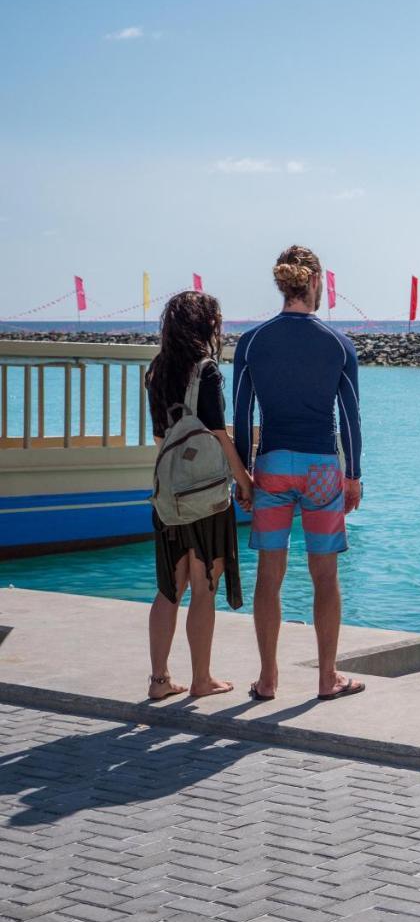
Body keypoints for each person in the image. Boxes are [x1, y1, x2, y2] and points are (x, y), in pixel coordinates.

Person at [233, 245, 365, 702]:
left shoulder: (251, 342)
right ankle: (327, 678)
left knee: (269, 574)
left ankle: (268, 680)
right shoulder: (337, 343)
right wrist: (354, 475)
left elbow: (241, 410)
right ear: (314, 283)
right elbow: (350, 418)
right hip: (322, 470)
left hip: (270, 466)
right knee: (324, 575)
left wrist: (243, 475)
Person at [145, 290, 253, 700]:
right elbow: (218, 435)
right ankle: (201, 680)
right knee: (204, 584)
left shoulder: (156, 371)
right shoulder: (205, 371)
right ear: (205, 325)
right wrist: (244, 481)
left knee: (169, 588)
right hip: (205, 497)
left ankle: (159, 680)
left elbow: (161, 437)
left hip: (169, 496)